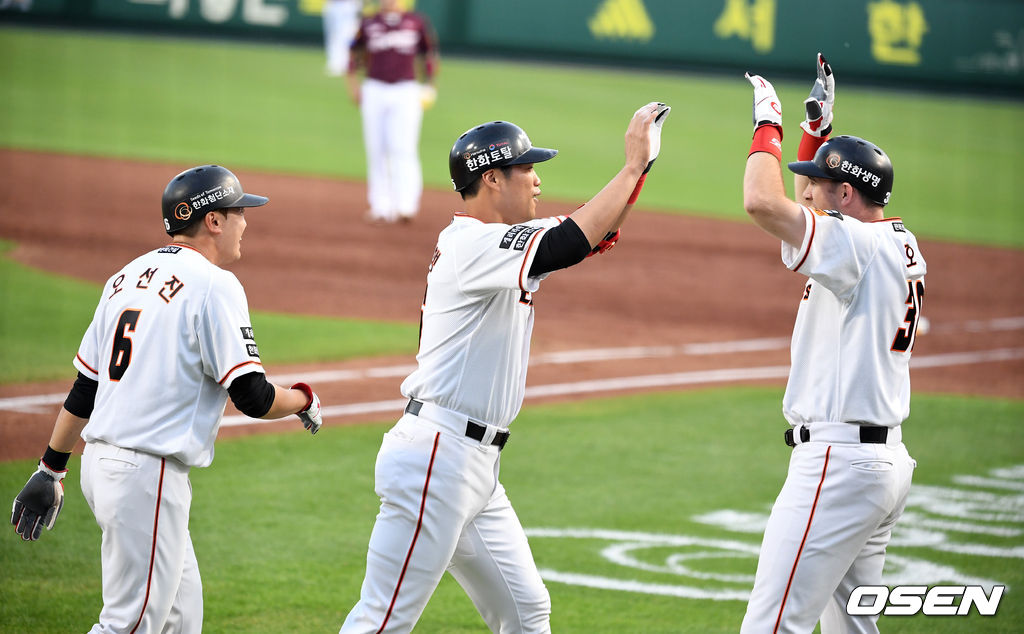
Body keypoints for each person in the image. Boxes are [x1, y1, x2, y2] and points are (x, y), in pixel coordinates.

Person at [339, 103, 670, 633]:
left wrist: (643, 168)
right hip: (435, 458)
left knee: (525, 612)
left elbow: (594, 234)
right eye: (527, 170)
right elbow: (568, 242)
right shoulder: (471, 244)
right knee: (383, 620)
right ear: (492, 179)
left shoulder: (496, 241)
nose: (538, 182)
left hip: (475, 467)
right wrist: (631, 166)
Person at [10, 165, 325, 633]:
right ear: (213, 220)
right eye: (238, 211)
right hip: (145, 476)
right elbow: (253, 396)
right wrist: (303, 398)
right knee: (129, 625)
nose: (246, 222)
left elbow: (86, 386)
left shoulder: (124, 277)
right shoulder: (214, 285)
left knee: (180, 618)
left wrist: (51, 466)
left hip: (103, 466)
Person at [739, 54, 925, 633]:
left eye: (819, 182)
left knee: (772, 625)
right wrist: (816, 132)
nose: (808, 191)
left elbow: (764, 204)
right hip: (883, 462)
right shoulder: (897, 242)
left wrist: (766, 126)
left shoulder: (855, 248)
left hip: (839, 464)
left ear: (845, 195)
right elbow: (805, 208)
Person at [347, 0, 439, 224]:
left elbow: (429, 54)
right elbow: (353, 54)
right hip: (374, 87)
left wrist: (429, 85)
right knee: (376, 148)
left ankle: (406, 205)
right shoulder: (368, 23)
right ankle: (380, 206)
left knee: (404, 147)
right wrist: (353, 85)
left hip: (406, 89)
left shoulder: (416, 22)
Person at [323, 0, 363, 77]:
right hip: (332, 4)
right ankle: (334, 63)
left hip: (347, 5)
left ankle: (345, 63)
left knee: (346, 36)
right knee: (332, 36)